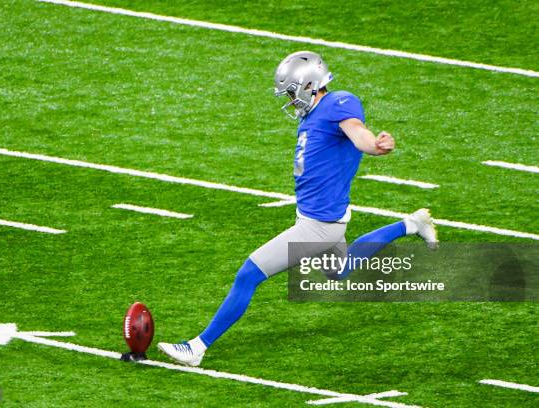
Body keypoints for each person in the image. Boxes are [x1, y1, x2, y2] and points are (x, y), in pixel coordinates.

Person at [158, 51, 438, 367]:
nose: (290, 100)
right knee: (340, 271)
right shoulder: (312, 117)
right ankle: (412, 223)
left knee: (248, 275)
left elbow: (358, 134)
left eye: (292, 92)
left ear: (308, 84)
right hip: (318, 218)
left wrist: (375, 145)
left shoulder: (338, 104)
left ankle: (197, 347)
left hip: (318, 226)